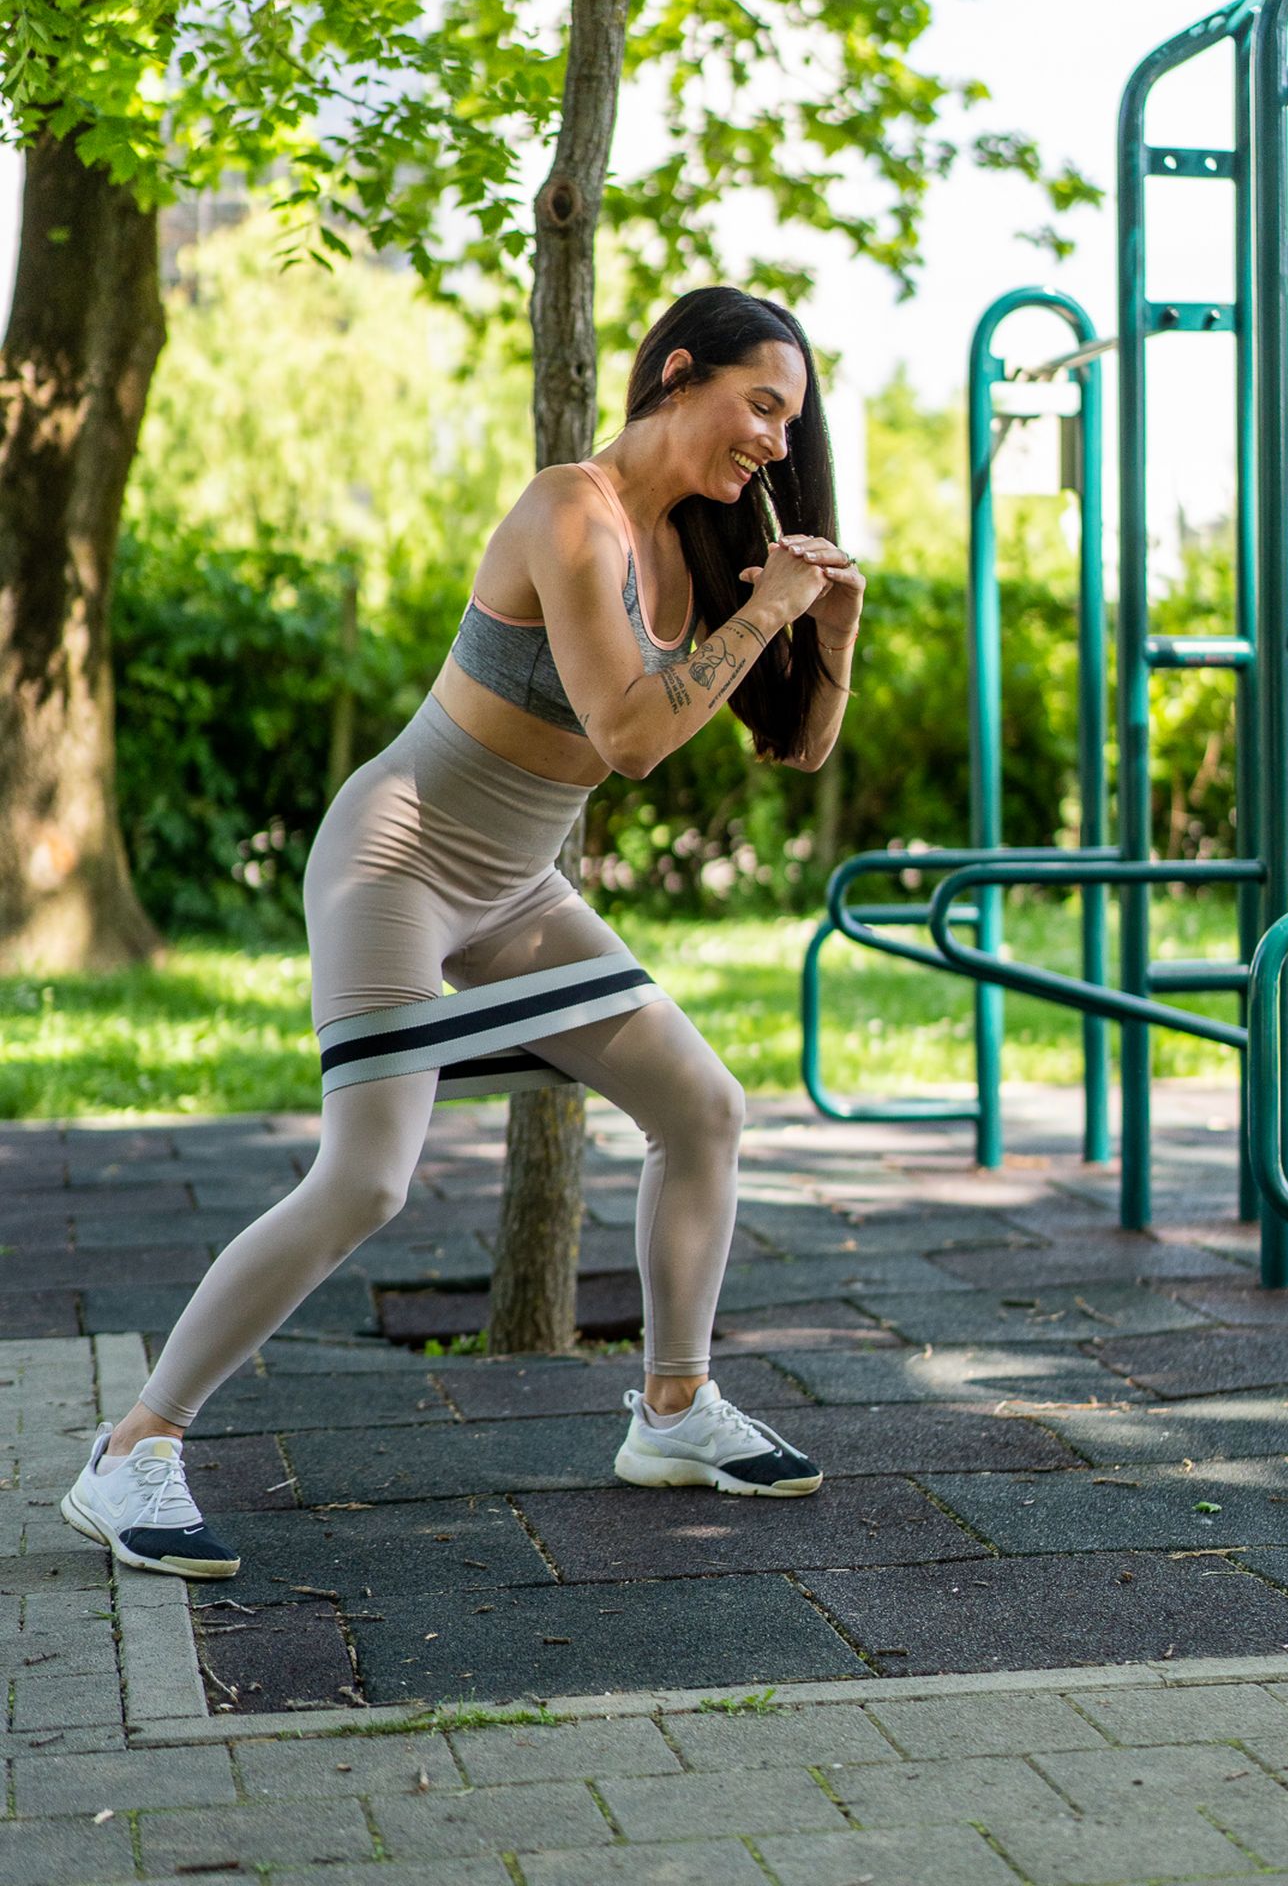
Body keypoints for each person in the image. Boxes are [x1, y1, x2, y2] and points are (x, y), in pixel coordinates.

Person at [61, 285, 864, 1580]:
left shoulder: (699, 544)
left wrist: (830, 624)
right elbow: (631, 738)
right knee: (368, 1179)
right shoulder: (569, 510)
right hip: (398, 861)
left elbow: (800, 748)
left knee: (704, 1110)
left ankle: (673, 1411)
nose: (777, 441)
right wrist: (765, 611)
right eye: (760, 405)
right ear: (677, 373)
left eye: (789, 422)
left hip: (516, 890)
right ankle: (130, 1451)